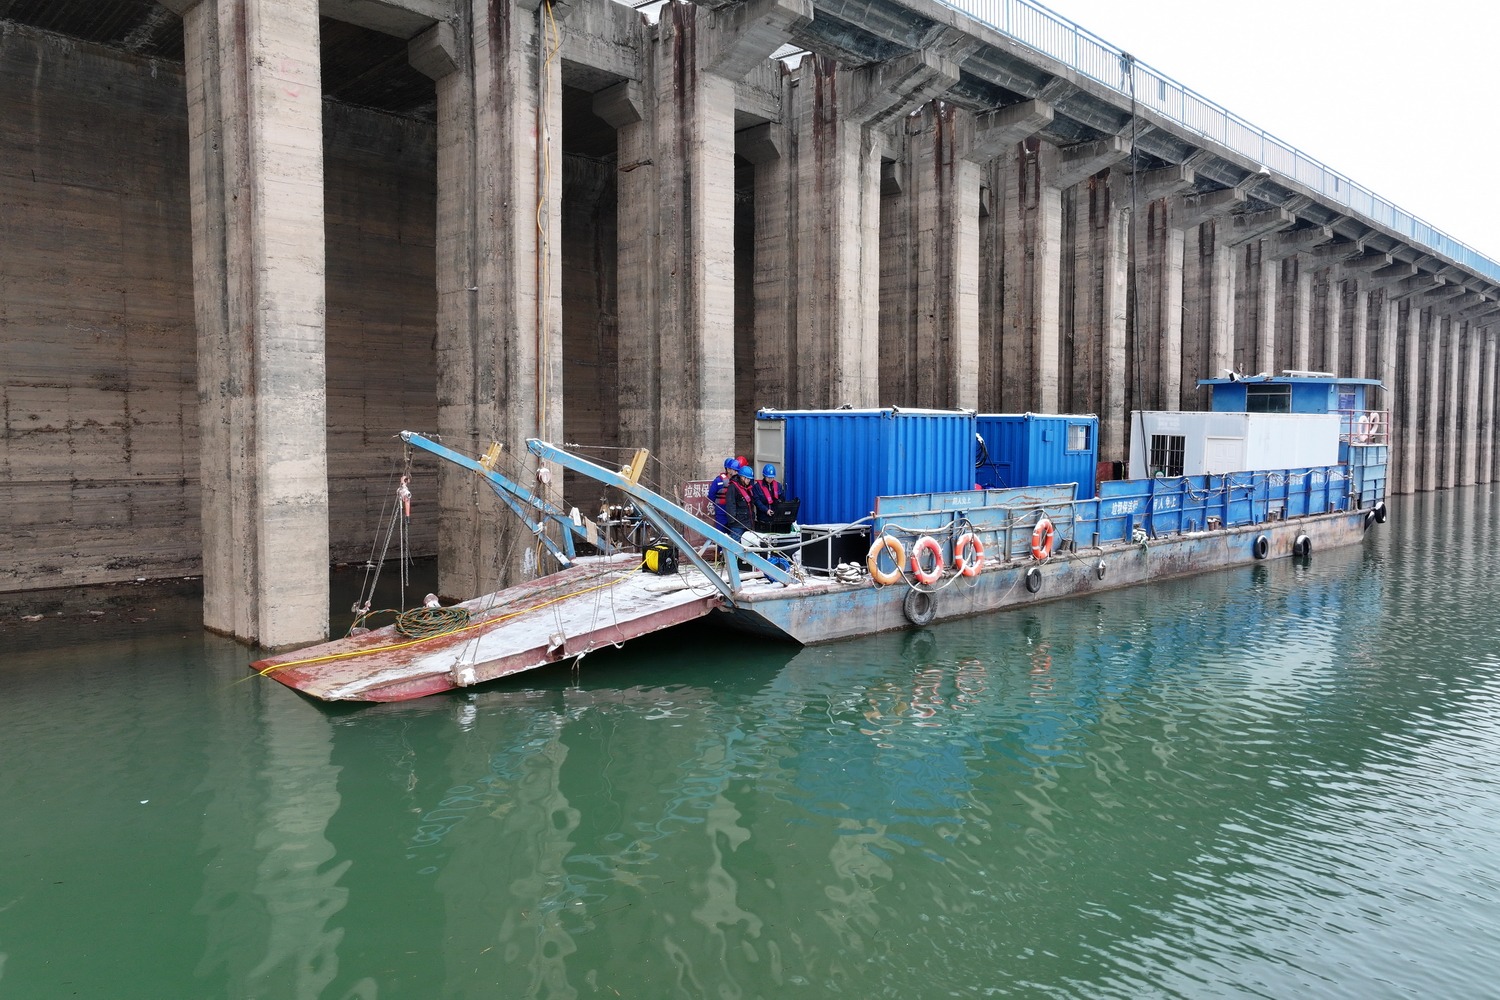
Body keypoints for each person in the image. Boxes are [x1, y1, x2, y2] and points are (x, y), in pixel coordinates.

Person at [725, 464, 757, 540]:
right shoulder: (733, 487)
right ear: (742, 477)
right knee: (736, 543)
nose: (749, 481)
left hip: (748, 522)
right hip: (737, 524)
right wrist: (733, 521)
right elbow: (730, 504)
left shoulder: (748, 488)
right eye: (747, 478)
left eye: (750, 479)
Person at [707, 457, 736, 532]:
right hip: (721, 510)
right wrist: (718, 504)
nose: (736, 472)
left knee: (733, 532)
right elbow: (711, 495)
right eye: (734, 470)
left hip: (734, 511)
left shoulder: (737, 481)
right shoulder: (718, 481)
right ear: (728, 469)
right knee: (721, 531)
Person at [752, 463, 784, 529]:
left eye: (772, 477)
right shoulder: (757, 487)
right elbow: (757, 501)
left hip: (775, 517)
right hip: (763, 518)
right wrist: (766, 510)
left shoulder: (778, 486)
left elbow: (782, 499)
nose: (770, 479)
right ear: (764, 475)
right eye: (768, 477)